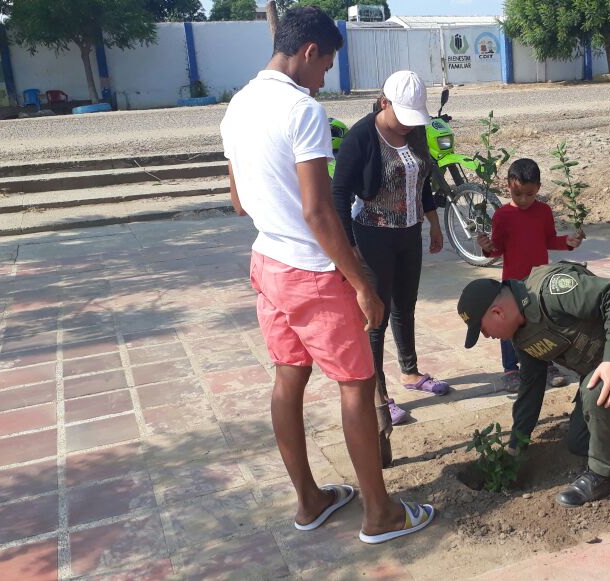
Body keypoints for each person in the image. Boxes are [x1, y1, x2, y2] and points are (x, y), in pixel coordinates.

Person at [220, 7, 433, 543]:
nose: (326, 77)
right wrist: (361, 282)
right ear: (310, 51)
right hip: (311, 270)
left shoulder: (237, 106)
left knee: (287, 379)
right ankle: (380, 514)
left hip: (266, 263)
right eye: (328, 64)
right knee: (358, 386)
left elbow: (239, 202)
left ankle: (310, 501)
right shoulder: (302, 111)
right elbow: (319, 213)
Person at [456, 262, 610, 507]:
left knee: (594, 391)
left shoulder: (551, 292)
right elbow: (531, 388)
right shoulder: (522, 336)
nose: (488, 337)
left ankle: (603, 475)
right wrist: (515, 446)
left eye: (483, 330)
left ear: (497, 312)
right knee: (580, 442)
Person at [332, 70, 450, 427]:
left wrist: (432, 222)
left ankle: (410, 372)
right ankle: (377, 393)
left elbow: (421, 179)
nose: (408, 126)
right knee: (376, 316)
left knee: (405, 306)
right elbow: (338, 193)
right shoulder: (361, 137)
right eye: (403, 117)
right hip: (372, 236)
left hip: (409, 233)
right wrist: (349, 248)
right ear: (384, 103)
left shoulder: (413, 133)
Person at [476, 158, 582, 393]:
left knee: (542, 321)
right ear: (508, 186)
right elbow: (497, 248)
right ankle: (511, 370)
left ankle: (546, 363)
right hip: (512, 283)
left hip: (539, 280)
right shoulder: (502, 215)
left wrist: (568, 242)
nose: (523, 199)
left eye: (530, 194)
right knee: (508, 325)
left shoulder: (544, 211)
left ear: (539, 188)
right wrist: (487, 245)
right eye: (518, 194)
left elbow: (549, 239)